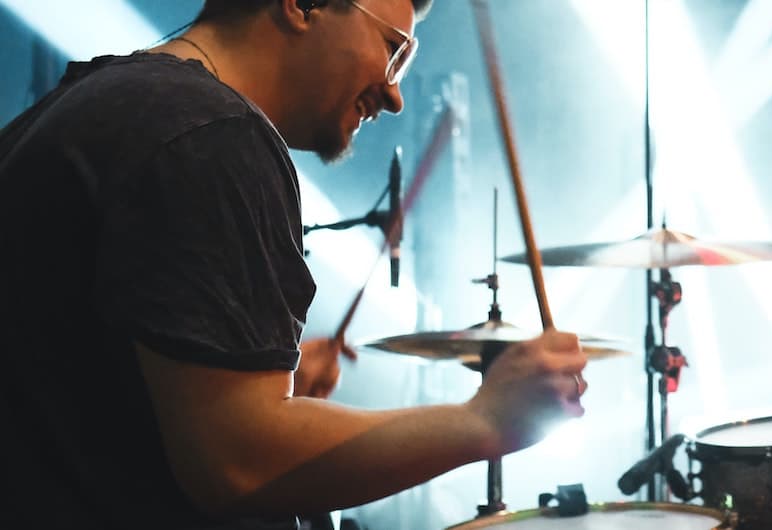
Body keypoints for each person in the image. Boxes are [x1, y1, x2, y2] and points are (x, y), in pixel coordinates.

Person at [0, 1, 587, 529]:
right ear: (301, 5)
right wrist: (488, 420)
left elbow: (88, 400)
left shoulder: (81, 109)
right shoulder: (211, 134)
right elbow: (240, 465)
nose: (395, 95)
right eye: (393, 51)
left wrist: (236, 370)